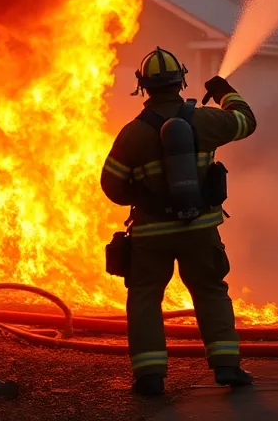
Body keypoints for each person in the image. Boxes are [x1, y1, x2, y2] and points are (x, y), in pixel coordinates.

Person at [100, 47, 258, 396]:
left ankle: (150, 376)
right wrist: (223, 91)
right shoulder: (206, 120)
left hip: (150, 234)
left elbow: (110, 185)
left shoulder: (132, 134)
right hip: (200, 230)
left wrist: (145, 197)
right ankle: (227, 366)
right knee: (210, 291)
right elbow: (247, 120)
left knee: (145, 297)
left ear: (143, 86)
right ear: (181, 80)